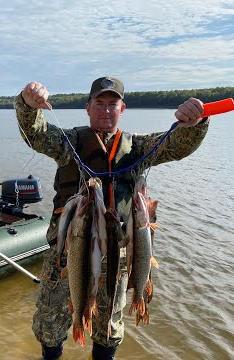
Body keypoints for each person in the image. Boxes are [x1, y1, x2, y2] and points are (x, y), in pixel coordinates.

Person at [14, 77, 209, 359]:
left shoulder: (138, 148)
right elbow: (36, 132)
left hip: (116, 260)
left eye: (112, 104)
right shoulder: (68, 144)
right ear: (88, 108)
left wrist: (195, 123)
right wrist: (28, 106)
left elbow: (176, 145)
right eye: (99, 104)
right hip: (67, 254)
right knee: (49, 324)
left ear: (122, 109)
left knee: (108, 328)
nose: (106, 110)